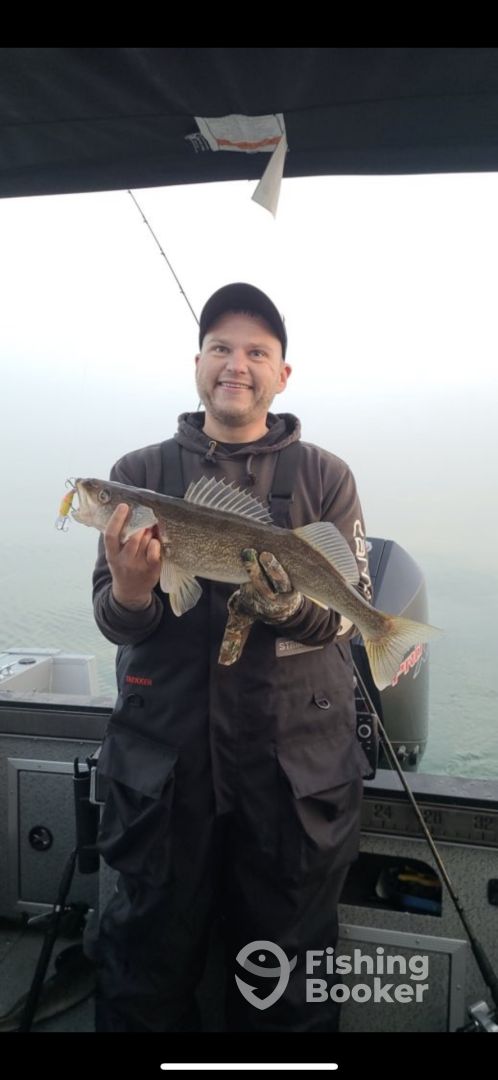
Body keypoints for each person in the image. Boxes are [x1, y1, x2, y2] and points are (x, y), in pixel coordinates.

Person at [91, 282, 372, 1033]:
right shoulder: (136, 475)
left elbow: (347, 615)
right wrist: (132, 591)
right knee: (143, 974)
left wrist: (289, 608)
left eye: (256, 351)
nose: (235, 364)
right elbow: (115, 620)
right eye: (220, 347)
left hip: (291, 780)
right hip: (166, 776)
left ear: (283, 373)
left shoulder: (326, 478)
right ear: (197, 363)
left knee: (286, 985)